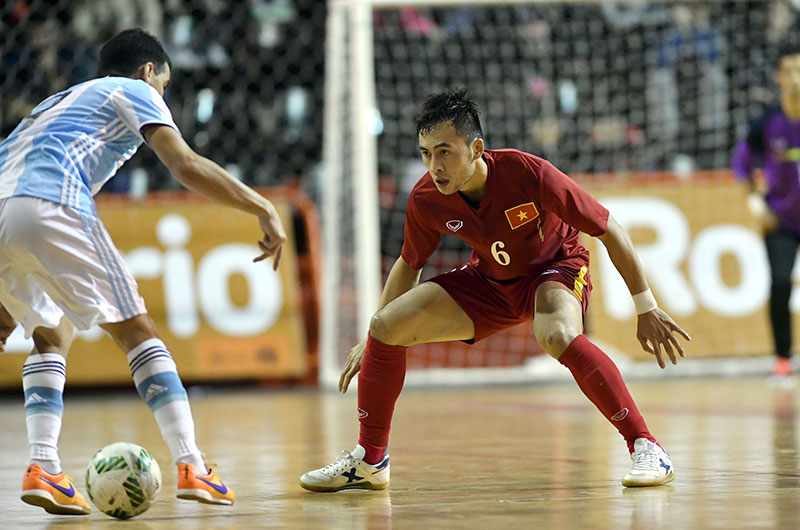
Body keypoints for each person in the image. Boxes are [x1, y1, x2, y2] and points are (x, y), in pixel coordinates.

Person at [300, 88, 690, 492]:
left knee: (556, 335)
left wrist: (646, 307)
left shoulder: (529, 173)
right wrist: (374, 339)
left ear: (477, 148)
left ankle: (646, 445)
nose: (435, 166)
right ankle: (370, 461)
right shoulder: (426, 198)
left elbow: (611, 231)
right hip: (490, 283)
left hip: (555, 270)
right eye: (426, 153)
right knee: (385, 325)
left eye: (445, 152)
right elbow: (409, 264)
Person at [0, 28, 287, 515]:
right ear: (148, 72)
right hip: (50, 202)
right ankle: (192, 464)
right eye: (165, 88)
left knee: (48, 333)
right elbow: (185, 164)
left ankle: (43, 465)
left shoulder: (55, 103)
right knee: (139, 332)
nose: (162, 99)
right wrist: (262, 206)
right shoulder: (132, 89)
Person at [732, 41, 800, 380]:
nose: (796, 78)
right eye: (789, 71)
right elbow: (742, 165)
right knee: (779, 283)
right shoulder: (766, 124)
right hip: (782, 220)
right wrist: (755, 203)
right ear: (778, 78)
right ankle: (783, 358)